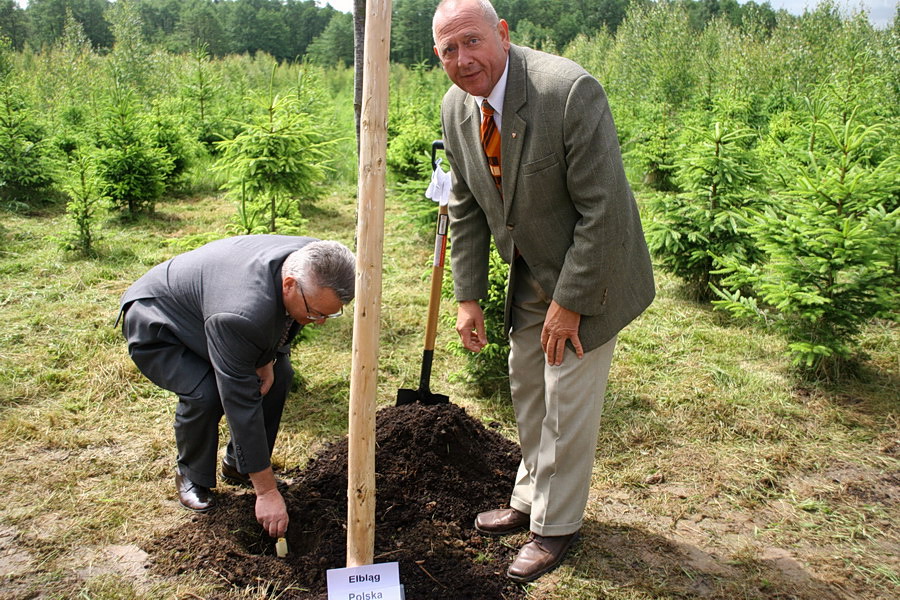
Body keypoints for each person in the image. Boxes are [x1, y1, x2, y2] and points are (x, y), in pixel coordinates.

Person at [432, 0, 655, 583]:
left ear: (502, 34)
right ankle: (530, 497)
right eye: (449, 50)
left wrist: (571, 302)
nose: (463, 58)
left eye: (472, 41)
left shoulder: (568, 91)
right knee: (528, 382)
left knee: (567, 397)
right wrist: (468, 296)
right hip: (533, 264)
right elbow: (467, 206)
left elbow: (603, 209)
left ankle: (555, 527)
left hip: (593, 267)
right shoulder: (457, 109)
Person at [119, 235, 355, 539]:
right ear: (289, 286)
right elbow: (239, 402)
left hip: (211, 311)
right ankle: (192, 474)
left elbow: (285, 320)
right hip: (161, 322)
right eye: (316, 313)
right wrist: (267, 491)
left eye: (330, 314)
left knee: (279, 375)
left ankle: (239, 466)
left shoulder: (316, 260)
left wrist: (269, 356)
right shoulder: (241, 314)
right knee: (206, 393)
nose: (320, 322)